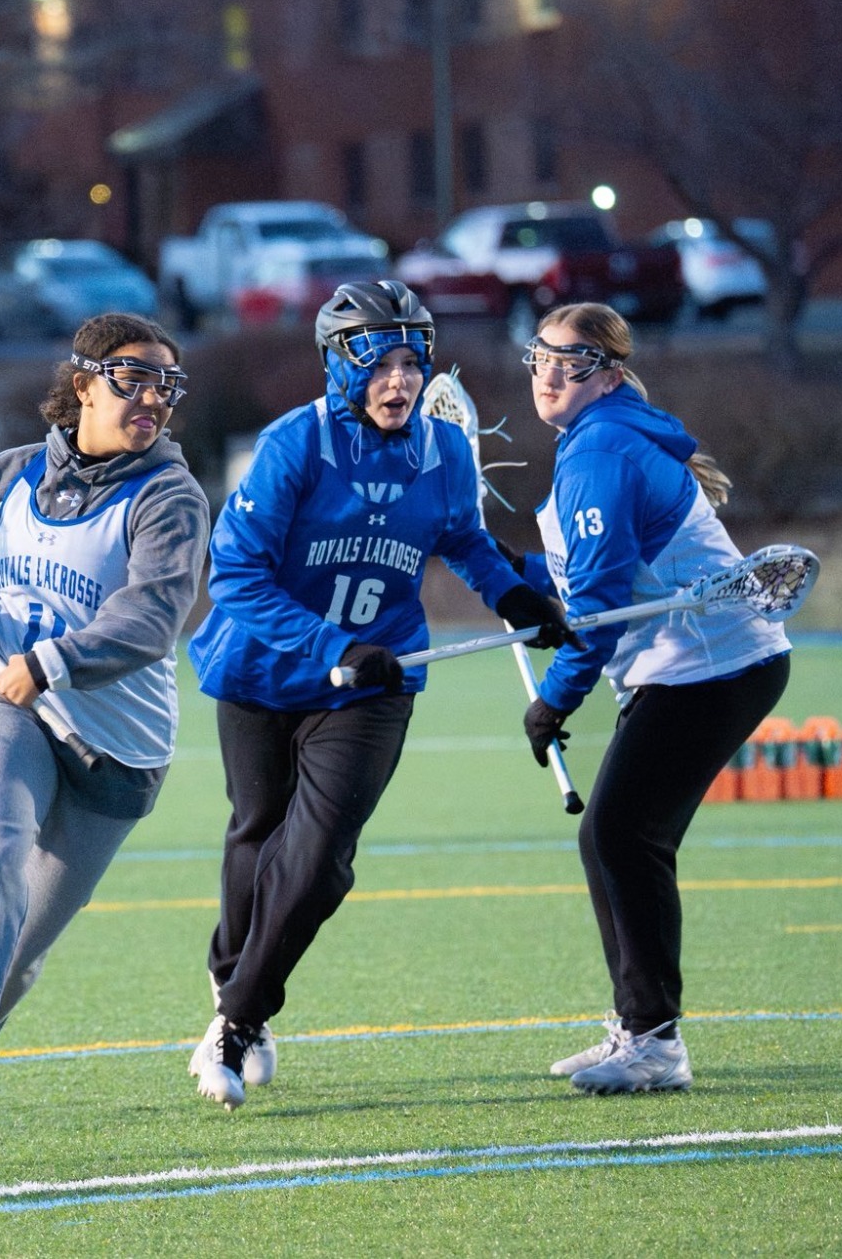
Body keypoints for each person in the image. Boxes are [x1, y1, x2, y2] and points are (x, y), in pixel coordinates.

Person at [184, 279, 575, 1109]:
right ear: (340, 367)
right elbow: (236, 575)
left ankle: (237, 1018)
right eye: (379, 366)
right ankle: (234, 990)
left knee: (321, 859)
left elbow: (462, 538)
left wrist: (515, 598)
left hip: (376, 683)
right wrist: (333, 647)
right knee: (259, 831)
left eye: (410, 363)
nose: (399, 383)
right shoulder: (296, 444)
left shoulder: (443, 450)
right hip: (265, 668)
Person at [0, 313, 210, 1172]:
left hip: (117, 746)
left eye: (166, 384)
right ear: (85, 382)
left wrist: (53, 659)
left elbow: (150, 617)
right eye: (133, 379)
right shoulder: (7, 476)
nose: (152, 399)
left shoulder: (169, 497)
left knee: (16, 951)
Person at [510, 302, 791, 1095]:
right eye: (542, 357)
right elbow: (590, 578)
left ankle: (655, 1040)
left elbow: (595, 606)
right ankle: (638, 1025)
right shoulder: (600, 439)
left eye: (573, 361)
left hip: (713, 665)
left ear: (609, 373)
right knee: (611, 838)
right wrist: (515, 577)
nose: (551, 374)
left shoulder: (602, 449)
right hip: (694, 665)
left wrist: (555, 700)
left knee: (623, 836)